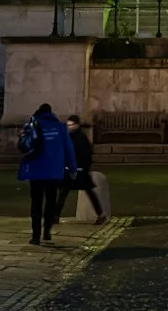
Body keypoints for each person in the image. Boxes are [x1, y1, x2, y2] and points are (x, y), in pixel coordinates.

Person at [19, 99, 70, 244]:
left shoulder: (33, 124)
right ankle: (47, 231)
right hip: (53, 171)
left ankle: (36, 236)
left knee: (36, 203)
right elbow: (68, 149)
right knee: (50, 202)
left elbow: (24, 144)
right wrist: (72, 167)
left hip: (36, 171)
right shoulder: (60, 127)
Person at [66, 112, 106, 223]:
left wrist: (83, 167)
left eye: (71, 125)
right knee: (63, 192)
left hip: (80, 170)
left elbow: (86, 154)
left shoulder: (81, 137)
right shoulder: (69, 137)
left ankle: (100, 214)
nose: (69, 127)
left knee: (89, 192)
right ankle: (55, 216)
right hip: (71, 169)